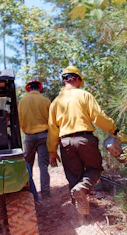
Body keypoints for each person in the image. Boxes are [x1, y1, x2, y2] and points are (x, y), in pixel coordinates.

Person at [47, 66, 118, 217]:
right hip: (85, 139)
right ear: (77, 79)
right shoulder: (84, 95)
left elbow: (53, 130)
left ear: (64, 81)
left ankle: (81, 217)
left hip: (65, 143)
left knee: (74, 178)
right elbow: (99, 117)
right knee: (95, 168)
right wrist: (114, 130)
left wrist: (52, 152)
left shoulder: (55, 102)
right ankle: (83, 188)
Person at [18, 78, 51, 199]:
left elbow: (20, 120)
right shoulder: (45, 101)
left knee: (27, 165)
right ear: (39, 87)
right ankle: (46, 193)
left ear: (28, 88)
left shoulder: (23, 101)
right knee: (43, 166)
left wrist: (26, 131)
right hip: (44, 136)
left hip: (29, 137)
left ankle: (29, 193)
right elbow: (51, 120)